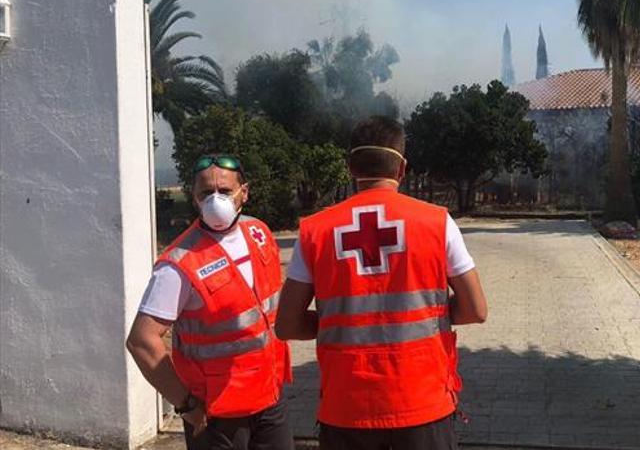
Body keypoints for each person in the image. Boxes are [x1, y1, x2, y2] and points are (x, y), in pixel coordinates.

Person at [275, 117, 488, 450]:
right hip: (422, 402)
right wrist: (422, 317)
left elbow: (286, 325)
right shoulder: (437, 222)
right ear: (402, 168)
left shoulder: (315, 231)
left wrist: (340, 322)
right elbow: (476, 309)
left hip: (347, 407)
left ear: (350, 167)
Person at [126, 154, 293, 450]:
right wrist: (187, 407)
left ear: (245, 192)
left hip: (269, 399)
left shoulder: (259, 233)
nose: (216, 200)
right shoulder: (178, 262)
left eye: (225, 191)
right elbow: (141, 341)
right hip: (217, 415)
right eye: (206, 193)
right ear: (194, 198)